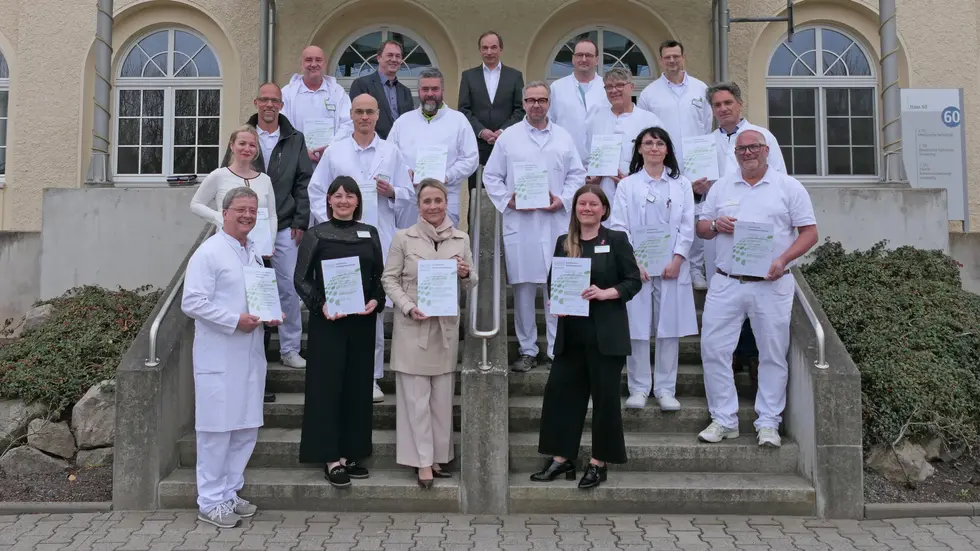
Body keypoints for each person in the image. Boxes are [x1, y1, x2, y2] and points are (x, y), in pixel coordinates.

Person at [695, 130, 817, 447]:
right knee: (714, 350)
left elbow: (810, 233)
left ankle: (768, 423)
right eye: (741, 149)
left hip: (771, 282)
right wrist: (714, 225)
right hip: (726, 281)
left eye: (753, 147)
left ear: (765, 150)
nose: (747, 153)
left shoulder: (788, 187)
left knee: (773, 354)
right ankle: (724, 419)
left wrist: (783, 259)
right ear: (735, 153)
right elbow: (702, 228)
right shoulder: (721, 187)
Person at [531, 184, 642, 489]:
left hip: (606, 334)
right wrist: (557, 302)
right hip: (572, 334)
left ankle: (599, 462)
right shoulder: (564, 242)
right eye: (582, 204)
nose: (588, 208)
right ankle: (561, 459)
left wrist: (608, 293)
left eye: (594, 204)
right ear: (575, 209)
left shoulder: (616, 240)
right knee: (561, 396)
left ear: (604, 209)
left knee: (605, 401)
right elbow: (556, 282)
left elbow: (633, 281)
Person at [309, 93, 415, 403]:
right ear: (351, 115)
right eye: (359, 112)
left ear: (378, 115)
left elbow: (408, 195)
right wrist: (327, 224)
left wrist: (392, 190)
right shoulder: (336, 152)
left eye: (370, 112)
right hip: (339, 238)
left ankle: (371, 377)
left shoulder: (391, 152)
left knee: (374, 308)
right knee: (340, 301)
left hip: (376, 239)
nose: (364, 117)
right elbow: (317, 191)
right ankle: (341, 374)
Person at [181, 186, 277, 528]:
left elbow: (256, 295)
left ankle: (229, 492)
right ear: (224, 213)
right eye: (241, 209)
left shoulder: (252, 252)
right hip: (219, 355)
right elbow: (191, 302)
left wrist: (269, 313)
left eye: (253, 210)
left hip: (249, 355)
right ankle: (209, 500)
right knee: (216, 432)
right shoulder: (209, 253)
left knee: (245, 428)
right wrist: (234, 320)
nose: (248, 215)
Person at [482, 81, 585, 372]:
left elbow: (577, 175)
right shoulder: (508, 138)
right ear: (524, 103)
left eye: (541, 100)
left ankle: (555, 350)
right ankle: (528, 349)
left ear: (549, 103)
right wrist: (508, 201)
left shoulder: (563, 137)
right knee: (524, 291)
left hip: (555, 223)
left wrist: (563, 200)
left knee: (557, 290)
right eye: (530, 100)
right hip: (521, 224)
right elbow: (491, 176)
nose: (536, 105)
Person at [382, 179, 476, 488]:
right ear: (418, 205)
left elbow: (472, 281)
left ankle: (436, 457)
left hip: (444, 330)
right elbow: (389, 279)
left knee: (441, 401)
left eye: (438, 200)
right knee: (415, 399)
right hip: (414, 327)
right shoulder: (403, 238)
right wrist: (408, 306)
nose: (433, 206)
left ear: (446, 202)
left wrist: (466, 274)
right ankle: (421, 461)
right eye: (427, 201)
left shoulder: (461, 239)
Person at [294, 176, 386, 487]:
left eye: (349, 195)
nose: (344, 200)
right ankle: (331, 456)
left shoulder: (369, 233)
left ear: (358, 201)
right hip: (329, 321)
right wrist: (319, 305)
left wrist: (376, 300)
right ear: (329, 201)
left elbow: (378, 276)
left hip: (361, 321)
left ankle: (352, 452)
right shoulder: (316, 234)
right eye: (337, 195)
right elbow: (301, 279)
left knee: (358, 388)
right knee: (327, 387)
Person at [700, 82, 789, 389]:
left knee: (756, 295)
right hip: (722, 234)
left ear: (739, 104)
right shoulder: (705, 142)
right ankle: (734, 354)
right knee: (728, 294)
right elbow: (696, 189)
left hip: (758, 235)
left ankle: (751, 356)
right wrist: (697, 188)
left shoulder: (762, 138)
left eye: (727, 102)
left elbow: (780, 181)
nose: (722, 109)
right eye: (716, 105)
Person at [226, 84, 312, 394]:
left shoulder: (294, 139)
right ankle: (252, 349)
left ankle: (290, 349)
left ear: (281, 104)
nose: (269, 105)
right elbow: (228, 177)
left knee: (288, 287)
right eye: (264, 99)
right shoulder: (244, 137)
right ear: (256, 102)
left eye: (275, 100)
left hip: (286, 224)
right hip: (247, 228)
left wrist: (301, 220)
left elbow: (304, 182)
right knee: (248, 290)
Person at [607, 127, 698, 411]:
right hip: (638, 268)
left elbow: (687, 223)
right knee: (637, 327)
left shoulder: (681, 184)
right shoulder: (627, 185)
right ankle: (638, 388)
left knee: (668, 329)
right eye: (648, 143)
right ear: (639, 149)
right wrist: (634, 263)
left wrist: (678, 258)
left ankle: (665, 389)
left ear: (667, 150)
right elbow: (619, 226)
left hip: (672, 267)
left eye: (660, 143)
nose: (654, 148)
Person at [637, 40, 713, 290]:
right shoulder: (649, 93)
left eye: (676, 56)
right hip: (664, 163)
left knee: (695, 215)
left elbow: (705, 126)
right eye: (667, 57)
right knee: (668, 215)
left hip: (695, 162)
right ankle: (662, 261)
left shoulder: (701, 89)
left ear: (684, 57)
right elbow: (646, 131)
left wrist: (704, 163)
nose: (672, 61)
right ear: (660, 60)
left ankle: (695, 269)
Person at [387, 68, 479, 228]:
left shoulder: (458, 121)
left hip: (446, 197)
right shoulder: (403, 122)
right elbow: (389, 155)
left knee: (443, 250)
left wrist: (448, 176)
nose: (430, 93)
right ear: (419, 91)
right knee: (410, 249)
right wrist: (405, 171)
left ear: (442, 90)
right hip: (410, 200)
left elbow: (471, 159)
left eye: (434, 89)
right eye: (425, 89)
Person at [191, 125, 278, 262]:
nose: (247, 149)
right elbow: (195, 204)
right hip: (227, 247)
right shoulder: (219, 175)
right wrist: (219, 218)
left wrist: (270, 242)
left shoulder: (265, 180)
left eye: (252, 145)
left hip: (257, 250)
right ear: (232, 146)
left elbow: (272, 215)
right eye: (242, 143)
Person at [457, 31, 525, 200]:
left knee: (508, 194)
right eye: (485, 48)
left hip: (508, 145)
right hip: (479, 147)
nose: (489, 52)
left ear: (501, 50)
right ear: (480, 51)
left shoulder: (515, 76)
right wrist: (482, 131)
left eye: (493, 47)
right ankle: (475, 227)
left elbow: (520, 110)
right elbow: (464, 110)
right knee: (478, 196)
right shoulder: (468, 76)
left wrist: (503, 131)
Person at [584, 68, 664, 202]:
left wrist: (632, 179)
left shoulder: (650, 121)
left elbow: (661, 159)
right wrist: (591, 176)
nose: (614, 90)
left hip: (641, 194)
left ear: (631, 87)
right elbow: (586, 156)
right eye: (609, 87)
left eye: (620, 85)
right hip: (603, 195)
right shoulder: (595, 119)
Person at [281, 45, 352, 165]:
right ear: (301, 64)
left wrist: (330, 147)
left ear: (324, 64)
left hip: (331, 159)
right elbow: (283, 125)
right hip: (297, 161)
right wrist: (302, 150)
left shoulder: (338, 92)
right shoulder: (287, 93)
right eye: (308, 60)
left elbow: (348, 124)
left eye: (318, 60)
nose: (313, 64)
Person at [548, 38, 610, 162]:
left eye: (588, 55)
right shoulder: (557, 87)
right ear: (573, 59)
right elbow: (548, 123)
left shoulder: (607, 87)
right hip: (564, 159)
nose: (583, 59)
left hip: (602, 161)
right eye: (579, 55)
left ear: (597, 60)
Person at [349, 40, 414, 139]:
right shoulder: (361, 84)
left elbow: (409, 123)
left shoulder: (406, 92)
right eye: (390, 55)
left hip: (400, 148)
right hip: (372, 146)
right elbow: (356, 119)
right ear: (379, 58)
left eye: (398, 56)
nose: (394, 59)